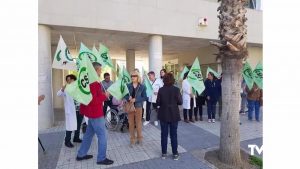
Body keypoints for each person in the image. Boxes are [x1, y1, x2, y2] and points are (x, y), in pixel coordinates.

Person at [76, 62, 114, 165]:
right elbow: (93, 100)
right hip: (96, 113)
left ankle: (81, 154)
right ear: (95, 70)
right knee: (103, 136)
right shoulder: (94, 83)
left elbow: (92, 97)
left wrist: (102, 94)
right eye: (100, 70)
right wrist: (105, 95)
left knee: (88, 135)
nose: (101, 71)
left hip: (90, 113)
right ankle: (101, 158)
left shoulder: (87, 80)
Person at [156, 73, 182, 160]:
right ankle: (175, 154)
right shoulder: (176, 89)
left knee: (164, 134)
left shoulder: (161, 90)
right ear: (173, 80)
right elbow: (180, 102)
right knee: (173, 134)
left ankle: (164, 153)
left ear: (164, 80)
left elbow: (158, 103)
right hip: (174, 114)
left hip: (163, 114)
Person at [57, 74, 83, 148]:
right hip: (71, 111)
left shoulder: (78, 88)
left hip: (79, 109)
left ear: (74, 80)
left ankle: (76, 138)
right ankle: (67, 141)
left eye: (70, 80)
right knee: (70, 126)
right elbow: (58, 94)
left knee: (78, 125)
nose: (69, 81)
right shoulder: (66, 89)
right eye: (67, 80)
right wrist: (62, 89)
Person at [125, 71, 147, 147]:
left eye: (134, 76)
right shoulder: (128, 85)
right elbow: (124, 95)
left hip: (138, 107)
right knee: (131, 123)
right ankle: (132, 140)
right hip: (130, 106)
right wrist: (128, 98)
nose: (132, 77)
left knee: (138, 123)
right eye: (131, 76)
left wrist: (136, 99)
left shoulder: (142, 86)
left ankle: (140, 138)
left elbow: (145, 97)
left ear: (138, 77)